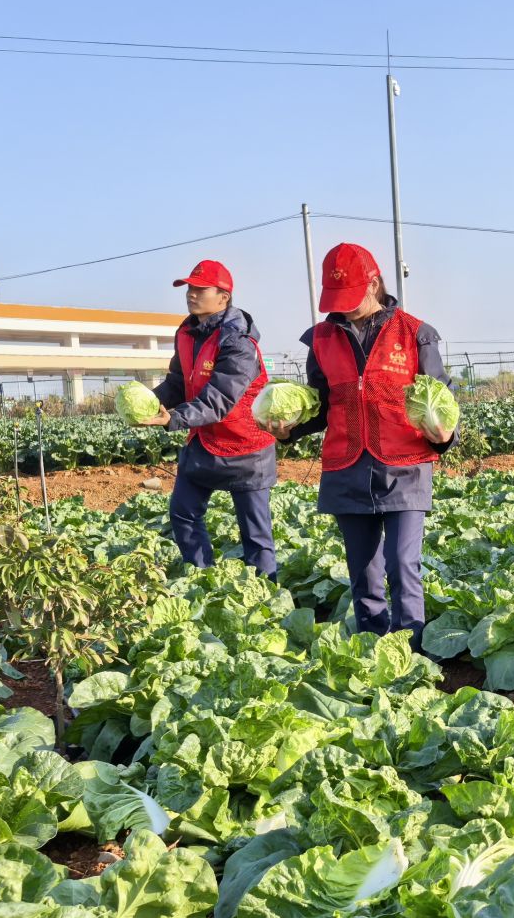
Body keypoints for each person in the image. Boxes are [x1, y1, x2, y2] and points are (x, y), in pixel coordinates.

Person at [291, 243, 454, 653]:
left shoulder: (416, 333)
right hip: (346, 467)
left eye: (350, 300)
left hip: (405, 465)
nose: (343, 309)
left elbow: (442, 397)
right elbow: (319, 403)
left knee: (403, 565)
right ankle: (370, 650)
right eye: (336, 302)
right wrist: (286, 429)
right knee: (363, 571)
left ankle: (409, 652)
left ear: (375, 284)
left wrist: (444, 433)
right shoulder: (322, 339)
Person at [136, 259, 278, 578]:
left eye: (200, 289)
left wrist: (172, 418)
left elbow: (220, 400)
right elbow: (177, 381)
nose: (191, 294)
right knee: (183, 513)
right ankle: (202, 578)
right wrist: (149, 403)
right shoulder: (186, 332)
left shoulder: (240, 342)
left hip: (246, 446)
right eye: (189, 287)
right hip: (203, 441)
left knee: (255, 534)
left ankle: (267, 595)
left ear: (223, 297)